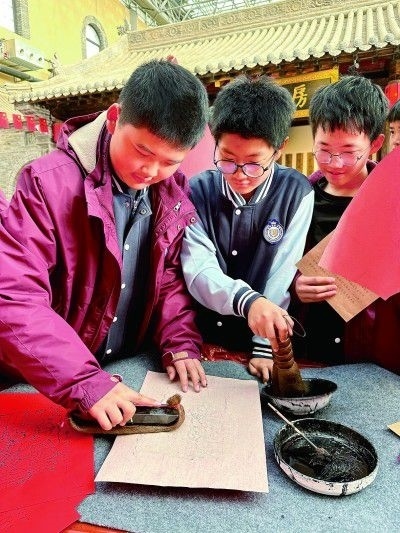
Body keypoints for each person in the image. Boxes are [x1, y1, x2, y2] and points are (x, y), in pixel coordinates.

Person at [0, 59, 209, 430]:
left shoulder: (171, 193)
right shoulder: (47, 184)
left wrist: (179, 339)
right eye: (142, 151)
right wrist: (83, 381)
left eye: (169, 162)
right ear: (114, 119)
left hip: (125, 369)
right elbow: (15, 295)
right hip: (56, 381)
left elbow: (168, 276)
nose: (151, 171)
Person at [181, 75, 314, 383]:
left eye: (254, 163)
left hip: (261, 336)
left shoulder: (296, 192)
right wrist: (248, 301)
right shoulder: (197, 191)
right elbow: (198, 269)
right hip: (203, 335)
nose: (240, 175)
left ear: (279, 149)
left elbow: (282, 272)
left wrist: (265, 346)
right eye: (227, 160)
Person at [291, 75, 388, 366]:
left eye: (348, 152)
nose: (334, 163)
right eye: (324, 150)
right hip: (306, 347)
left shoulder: (390, 202)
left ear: (375, 143)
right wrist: (295, 286)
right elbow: (274, 266)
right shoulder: (298, 199)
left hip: (371, 355)